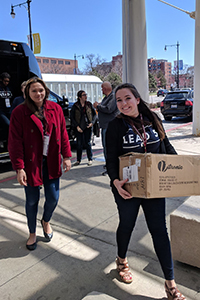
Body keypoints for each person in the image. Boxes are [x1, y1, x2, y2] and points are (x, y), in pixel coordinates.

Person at [106, 83, 186, 300]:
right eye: (119, 100)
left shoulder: (152, 119)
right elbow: (110, 158)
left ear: (137, 99)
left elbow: (166, 147)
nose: (123, 104)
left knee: (159, 230)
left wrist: (183, 167)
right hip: (128, 187)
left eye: (127, 98)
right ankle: (121, 260)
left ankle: (170, 284)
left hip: (154, 186)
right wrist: (115, 182)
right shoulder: (115, 126)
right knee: (127, 224)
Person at [8, 77, 72, 251]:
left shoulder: (55, 108)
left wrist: (66, 156)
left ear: (46, 91)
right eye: (34, 90)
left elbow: (63, 133)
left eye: (41, 90)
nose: (38, 93)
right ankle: (32, 233)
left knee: (53, 197)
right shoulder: (19, 112)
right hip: (30, 163)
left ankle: (46, 220)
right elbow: (14, 142)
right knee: (31, 201)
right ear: (27, 93)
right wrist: (19, 168)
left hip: (50, 159)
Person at [93, 81, 118, 174]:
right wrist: (99, 105)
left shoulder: (113, 96)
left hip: (109, 126)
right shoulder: (106, 98)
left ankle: (111, 167)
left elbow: (109, 109)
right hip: (104, 126)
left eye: (102, 88)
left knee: (109, 147)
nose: (101, 90)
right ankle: (108, 164)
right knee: (105, 147)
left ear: (106, 88)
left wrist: (98, 106)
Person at [70, 90, 97, 166]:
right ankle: (78, 160)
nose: (86, 96)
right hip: (79, 127)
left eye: (86, 94)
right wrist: (77, 126)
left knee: (88, 143)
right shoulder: (75, 106)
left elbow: (94, 115)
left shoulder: (89, 104)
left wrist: (92, 123)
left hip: (87, 126)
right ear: (79, 97)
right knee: (79, 144)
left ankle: (90, 159)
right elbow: (72, 117)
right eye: (84, 95)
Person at [0, 72, 12, 138]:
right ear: (1, 80)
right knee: (8, 124)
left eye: (8, 81)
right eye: (5, 81)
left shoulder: (8, 88)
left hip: (8, 109)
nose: (6, 83)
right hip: (1, 110)